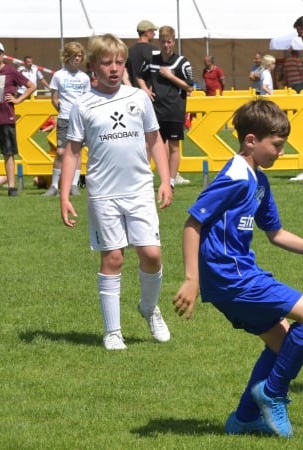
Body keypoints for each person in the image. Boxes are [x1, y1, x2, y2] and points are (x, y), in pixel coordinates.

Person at [173, 99, 303, 437]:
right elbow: (191, 223)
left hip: (241, 273)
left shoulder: (258, 181)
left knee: (281, 342)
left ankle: (242, 418)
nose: (281, 153)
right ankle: (273, 394)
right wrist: (191, 279)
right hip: (230, 275)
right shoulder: (235, 177)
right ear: (251, 141)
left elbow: (277, 234)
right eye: (276, 145)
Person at [60, 33, 173, 350]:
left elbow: (155, 140)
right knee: (113, 258)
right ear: (92, 65)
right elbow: (72, 151)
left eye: (119, 62)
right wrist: (66, 194)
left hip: (139, 190)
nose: (113, 68)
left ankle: (149, 310)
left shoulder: (138, 98)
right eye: (106, 62)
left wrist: (165, 180)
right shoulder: (82, 106)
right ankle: (113, 331)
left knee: (151, 254)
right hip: (103, 193)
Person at [42, 41, 91, 197]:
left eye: (79, 56)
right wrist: (62, 109)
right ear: (67, 57)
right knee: (61, 152)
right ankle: (55, 186)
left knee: (76, 152)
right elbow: (54, 98)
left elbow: (87, 99)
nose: (77, 59)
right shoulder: (58, 75)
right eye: (74, 56)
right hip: (64, 118)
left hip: (80, 120)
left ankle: (74, 186)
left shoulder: (84, 78)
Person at [147, 25, 194, 189]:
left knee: (174, 147)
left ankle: (171, 181)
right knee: (149, 145)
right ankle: (146, 178)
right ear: (159, 42)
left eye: (168, 42)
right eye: (163, 42)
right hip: (155, 110)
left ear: (173, 42)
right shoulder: (152, 60)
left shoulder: (182, 62)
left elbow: (189, 87)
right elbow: (142, 77)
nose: (166, 45)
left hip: (174, 110)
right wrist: (146, 89)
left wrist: (170, 76)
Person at [0, 42, 36, 197]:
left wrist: (18, 100)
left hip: (5, 118)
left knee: (8, 153)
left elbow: (32, 86)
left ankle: (12, 188)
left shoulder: (10, 71)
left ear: (2, 55)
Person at [126, 20, 158, 100]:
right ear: (146, 32)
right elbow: (157, 74)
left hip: (133, 94)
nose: (154, 34)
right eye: (153, 31)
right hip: (150, 95)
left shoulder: (129, 51)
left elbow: (125, 73)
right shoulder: (154, 50)